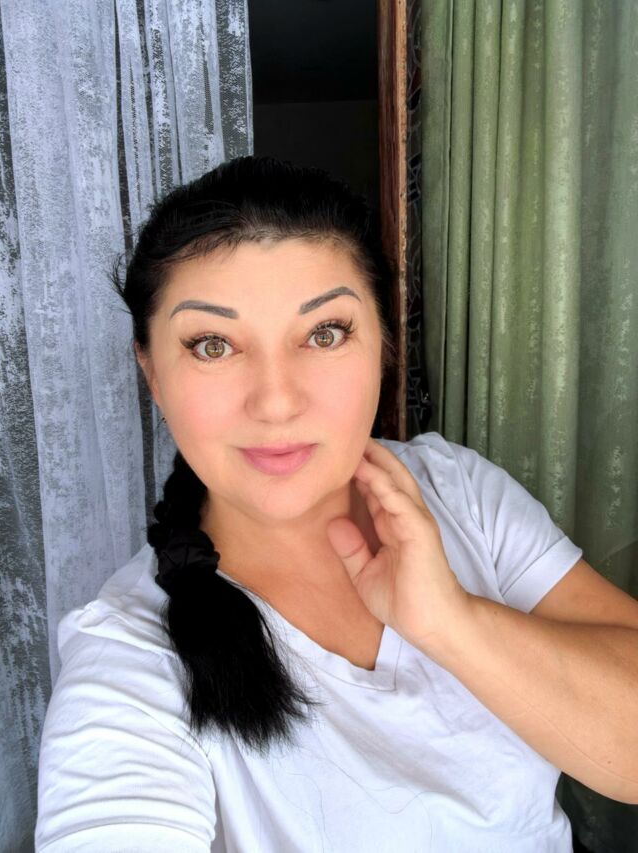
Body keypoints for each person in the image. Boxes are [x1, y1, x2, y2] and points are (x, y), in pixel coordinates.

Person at [35, 155, 587, 852]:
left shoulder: (456, 489)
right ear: (152, 372)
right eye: (213, 345)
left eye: (325, 333)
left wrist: (453, 622)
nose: (276, 401)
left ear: (384, 343)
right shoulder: (129, 656)